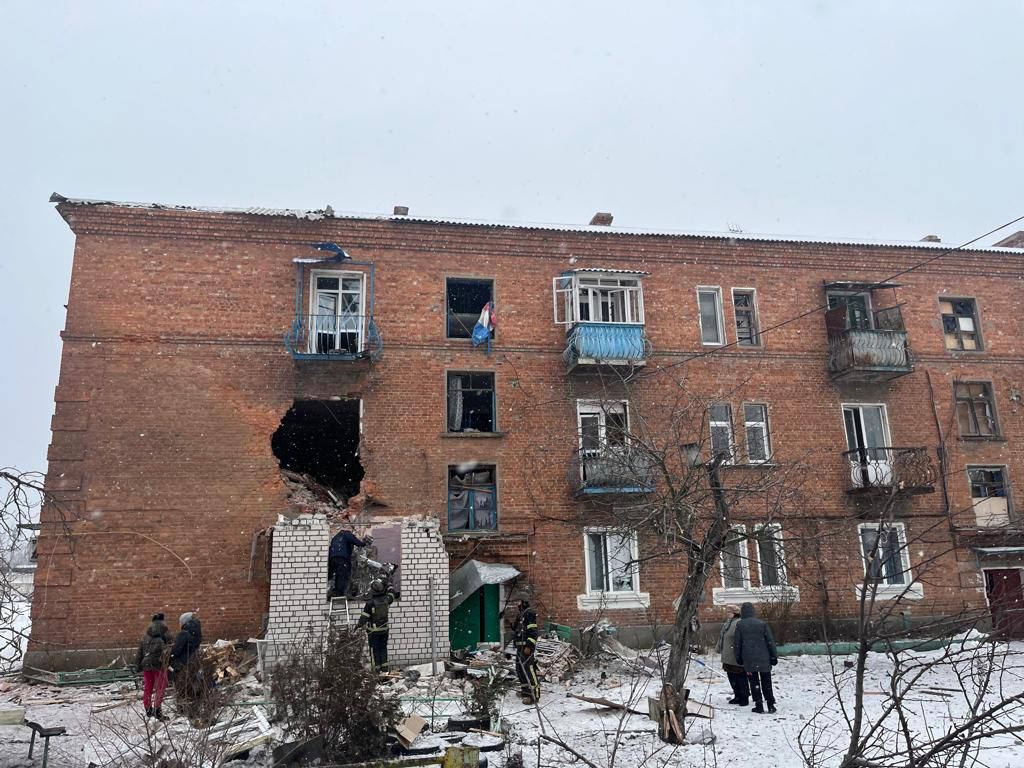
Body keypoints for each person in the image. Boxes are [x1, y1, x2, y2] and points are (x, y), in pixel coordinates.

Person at [734, 602, 778, 714]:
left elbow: (737, 643)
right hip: (764, 658)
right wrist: (773, 656)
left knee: (754, 682)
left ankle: (759, 704)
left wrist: (738, 657)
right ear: (753, 612)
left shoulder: (740, 625)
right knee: (766, 681)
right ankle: (770, 704)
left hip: (749, 659)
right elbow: (770, 641)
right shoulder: (762, 624)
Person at [135, 612, 173, 720]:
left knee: (148, 686)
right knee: (161, 686)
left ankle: (148, 708)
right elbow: (169, 650)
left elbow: (139, 652)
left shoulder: (146, 636)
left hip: (146, 664)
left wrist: (137, 665)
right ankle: (157, 709)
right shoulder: (165, 633)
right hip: (159, 665)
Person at [356, 579, 398, 671]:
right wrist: (389, 584)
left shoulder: (370, 603)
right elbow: (392, 594)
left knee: (374, 650)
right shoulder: (387, 599)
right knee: (383, 648)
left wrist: (357, 626)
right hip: (384, 630)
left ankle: (377, 671)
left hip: (373, 632)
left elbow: (364, 618)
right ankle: (385, 669)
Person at [169, 612, 204, 713]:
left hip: (182, 664)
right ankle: (194, 707)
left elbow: (176, 650)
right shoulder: (197, 633)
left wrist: (171, 657)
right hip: (194, 663)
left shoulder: (183, 634)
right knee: (192, 685)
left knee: (181, 686)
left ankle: (182, 709)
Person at [327, 529, 372, 600]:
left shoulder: (335, 538)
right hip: (342, 558)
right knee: (342, 575)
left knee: (338, 575)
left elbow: (330, 549)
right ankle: (339, 593)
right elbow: (354, 541)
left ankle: (335, 591)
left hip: (332, 559)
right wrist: (362, 544)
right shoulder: (346, 534)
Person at [718, 605, 749, 706]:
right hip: (728, 655)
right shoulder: (727, 623)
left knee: (740, 676)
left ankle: (744, 697)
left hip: (736, 655)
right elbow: (722, 637)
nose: (727, 614)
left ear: (735, 613)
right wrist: (719, 647)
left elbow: (742, 639)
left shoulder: (739, 623)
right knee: (732, 676)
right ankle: (737, 695)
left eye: (729, 612)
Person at [512, 599, 540, 704]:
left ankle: (534, 695)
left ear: (523, 602)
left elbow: (533, 632)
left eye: (518, 602)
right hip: (520, 648)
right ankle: (526, 693)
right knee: (520, 670)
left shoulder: (529, 613)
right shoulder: (521, 614)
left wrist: (529, 645)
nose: (517, 604)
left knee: (529, 670)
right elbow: (517, 629)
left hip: (526, 648)